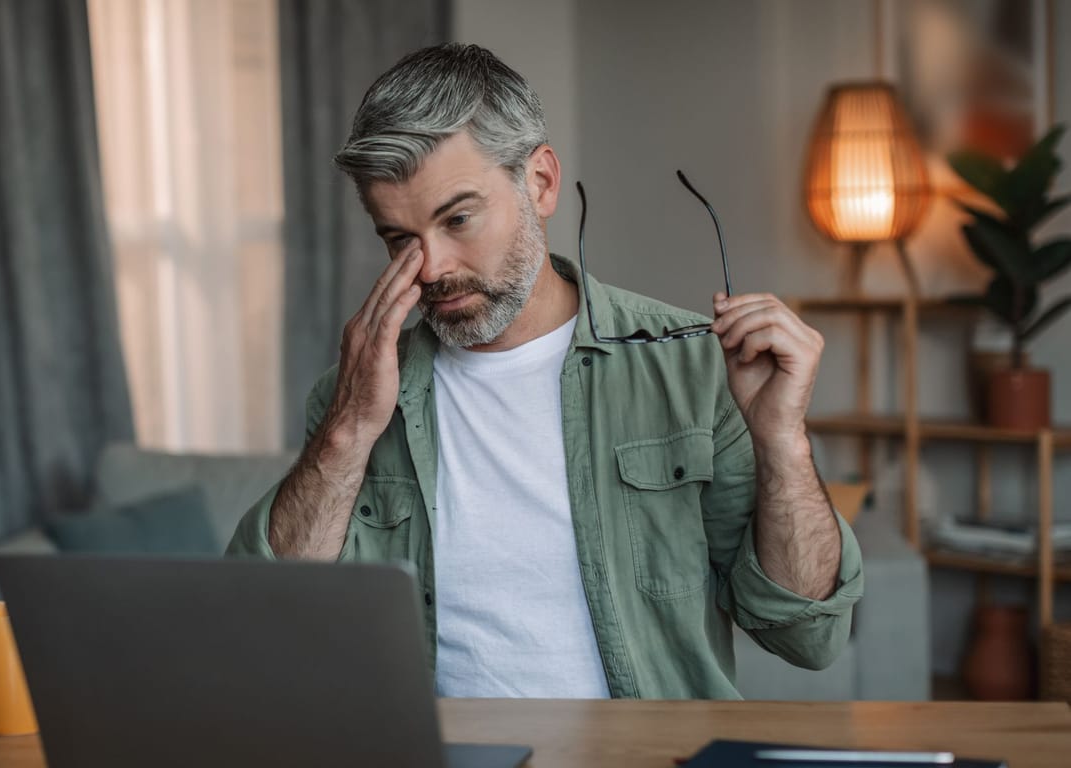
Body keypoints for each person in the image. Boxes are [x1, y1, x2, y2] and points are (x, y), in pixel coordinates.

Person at [228, 43, 862, 699]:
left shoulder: (695, 370)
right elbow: (268, 635)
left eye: (458, 218)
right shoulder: (350, 399)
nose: (431, 267)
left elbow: (807, 636)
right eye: (398, 239)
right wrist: (348, 431)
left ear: (541, 182)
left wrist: (782, 439)